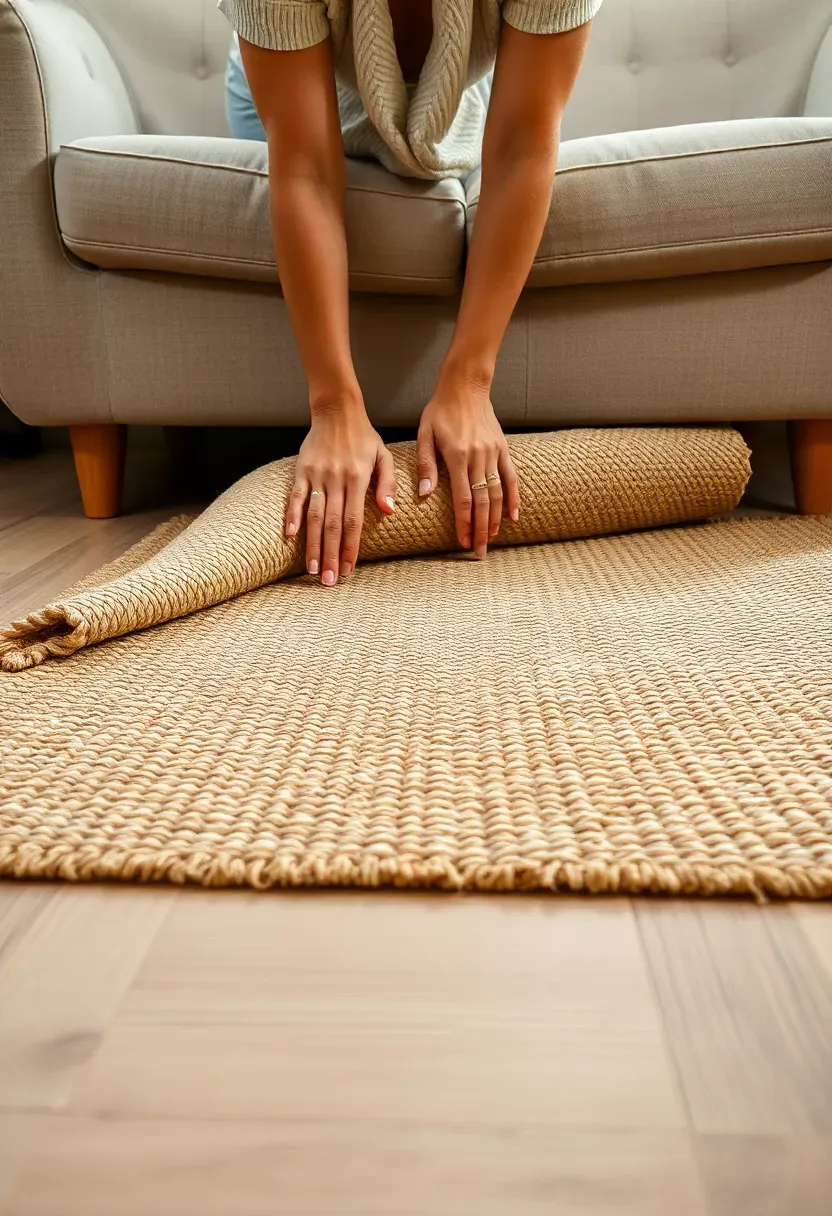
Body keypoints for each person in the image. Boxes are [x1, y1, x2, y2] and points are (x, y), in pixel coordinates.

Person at [218, 0, 600, 585]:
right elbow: (305, 172)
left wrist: (469, 382)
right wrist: (333, 406)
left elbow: (522, 144)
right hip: (303, 74)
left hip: (460, 95)